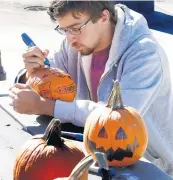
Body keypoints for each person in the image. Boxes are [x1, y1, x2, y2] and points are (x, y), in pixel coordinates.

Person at [9, 1, 173, 177]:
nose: (70, 39)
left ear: (103, 17)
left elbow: (117, 119)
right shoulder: (79, 42)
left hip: (150, 165)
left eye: (75, 28)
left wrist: (43, 106)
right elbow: (54, 80)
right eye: (64, 30)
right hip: (98, 154)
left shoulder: (144, 54)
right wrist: (34, 72)